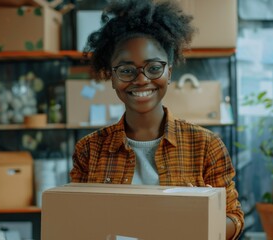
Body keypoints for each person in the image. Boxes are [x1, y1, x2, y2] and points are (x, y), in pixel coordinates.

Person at [70, 0, 244, 239]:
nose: (141, 80)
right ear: (112, 76)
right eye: (126, 70)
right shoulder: (89, 150)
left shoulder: (206, 146)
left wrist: (197, 218)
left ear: (169, 72)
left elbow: (234, 218)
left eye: (153, 68)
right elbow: (75, 219)